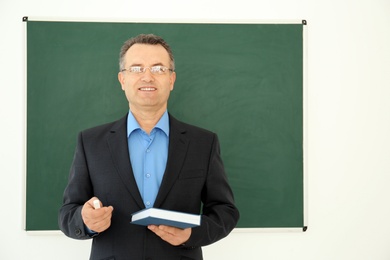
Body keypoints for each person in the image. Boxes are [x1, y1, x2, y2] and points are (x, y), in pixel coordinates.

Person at [58, 33, 239, 260]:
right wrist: (85, 220)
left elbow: (225, 211)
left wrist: (192, 234)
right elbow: (68, 212)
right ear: (122, 80)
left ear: (171, 80)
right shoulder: (91, 142)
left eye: (158, 68)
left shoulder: (203, 143)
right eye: (136, 69)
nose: (147, 77)